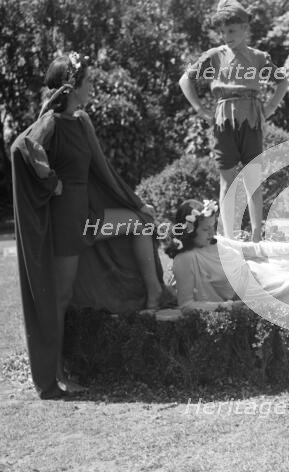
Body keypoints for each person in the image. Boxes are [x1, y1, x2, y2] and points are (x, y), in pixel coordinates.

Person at [10, 52, 168, 399]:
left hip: (89, 220)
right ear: (72, 88)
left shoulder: (81, 121)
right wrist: (52, 182)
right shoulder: (51, 122)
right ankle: (53, 379)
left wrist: (138, 203)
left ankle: (154, 293)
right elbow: (22, 146)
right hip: (67, 225)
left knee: (140, 224)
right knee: (61, 297)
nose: (93, 87)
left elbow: (104, 170)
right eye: (89, 82)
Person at [178, 0, 289, 242]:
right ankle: (228, 238)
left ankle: (257, 236)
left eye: (232, 30)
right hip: (223, 121)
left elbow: (282, 81)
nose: (227, 36)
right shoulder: (215, 56)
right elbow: (185, 80)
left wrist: (269, 107)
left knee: (252, 179)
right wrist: (200, 109)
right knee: (227, 181)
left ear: (244, 28)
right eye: (223, 31)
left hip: (252, 120)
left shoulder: (259, 58)